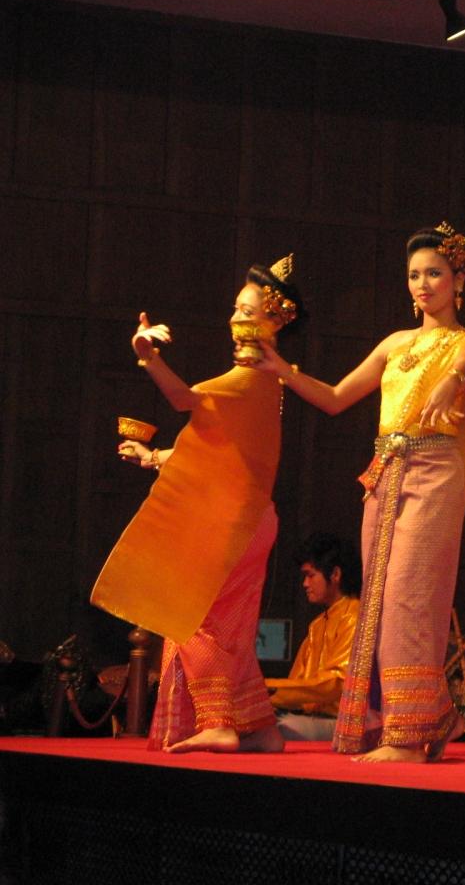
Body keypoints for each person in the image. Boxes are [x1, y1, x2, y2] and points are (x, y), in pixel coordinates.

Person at [256, 222, 465, 763]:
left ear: (458, 279)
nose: (423, 284)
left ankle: (408, 735)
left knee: (411, 597)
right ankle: (418, 721)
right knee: (380, 602)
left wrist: (451, 382)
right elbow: (337, 397)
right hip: (384, 473)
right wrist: (283, 369)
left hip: (434, 470)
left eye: (434, 273)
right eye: (414, 275)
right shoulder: (394, 344)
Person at [92, 256, 305, 753]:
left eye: (247, 312)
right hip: (251, 519)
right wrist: (153, 457)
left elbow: (183, 399)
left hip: (232, 523)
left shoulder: (250, 378)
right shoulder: (263, 382)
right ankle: (261, 727)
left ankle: (218, 721)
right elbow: (217, 450)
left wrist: (147, 355)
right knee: (230, 627)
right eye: (235, 308)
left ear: (274, 322)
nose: (235, 319)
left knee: (191, 613)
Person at [265, 532, 362, 742]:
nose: (305, 584)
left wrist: (269, 688)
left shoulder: (355, 616)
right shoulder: (316, 626)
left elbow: (338, 683)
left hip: (341, 722)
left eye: (310, 575)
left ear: (335, 574)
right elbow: (297, 683)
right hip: (310, 718)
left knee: (278, 727)